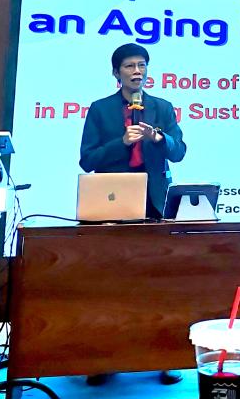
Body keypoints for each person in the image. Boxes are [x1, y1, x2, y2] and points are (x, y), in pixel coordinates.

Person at [79, 43, 188, 386]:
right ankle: (105, 358)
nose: (137, 71)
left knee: (160, 282)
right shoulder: (100, 110)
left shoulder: (162, 107)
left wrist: (158, 137)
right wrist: (122, 143)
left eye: (142, 65)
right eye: (129, 66)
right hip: (111, 202)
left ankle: (166, 358)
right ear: (116, 73)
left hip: (155, 202)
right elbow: (87, 159)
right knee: (110, 283)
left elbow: (179, 151)